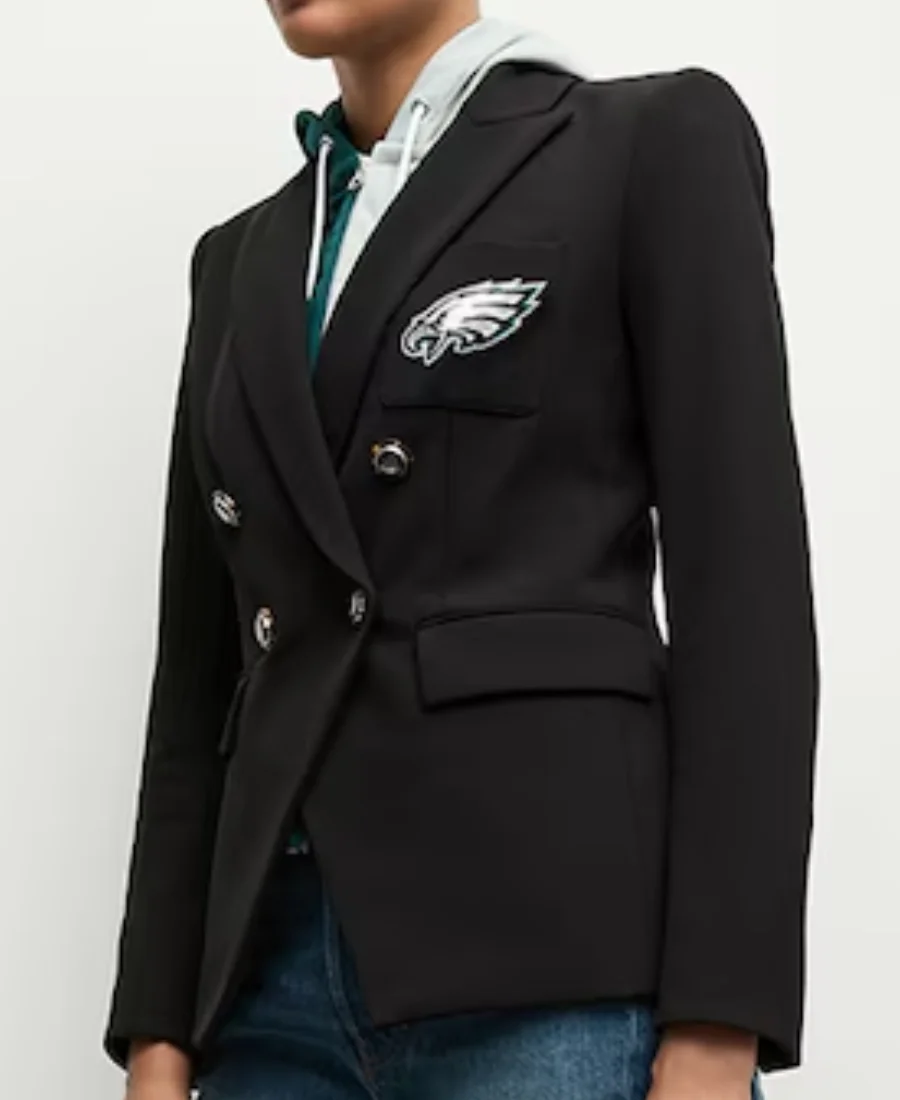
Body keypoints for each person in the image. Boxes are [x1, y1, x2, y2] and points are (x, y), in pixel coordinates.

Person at [102, 2, 819, 1098]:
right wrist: (158, 1033)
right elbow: (198, 681)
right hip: (267, 997)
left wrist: (721, 1022)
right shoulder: (237, 262)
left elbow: (747, 599)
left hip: (558, 974)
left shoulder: (646, 144)